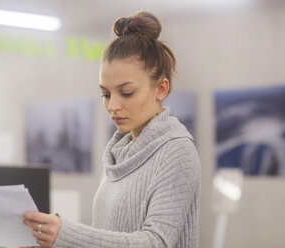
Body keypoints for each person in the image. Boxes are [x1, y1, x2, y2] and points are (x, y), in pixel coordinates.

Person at [22, 10, 201, 248]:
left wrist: (66, 236)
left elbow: (156, 243)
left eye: (126, 93)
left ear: (161, 89)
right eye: (105, 94)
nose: (112, 106)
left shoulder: (177, 152)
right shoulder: (117, 154)